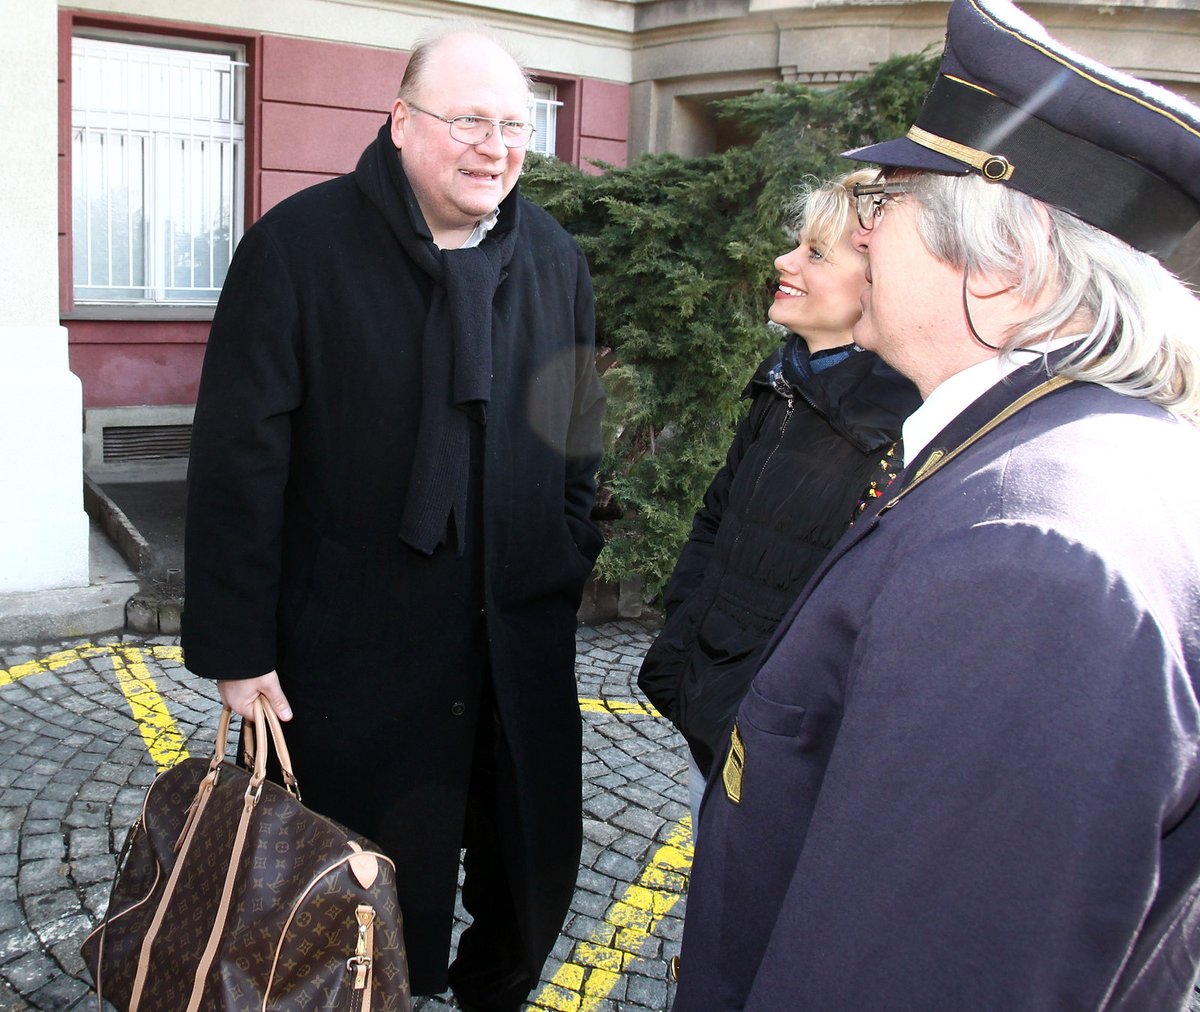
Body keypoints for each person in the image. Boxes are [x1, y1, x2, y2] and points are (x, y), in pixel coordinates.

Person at [671, 0, 1200, 1007]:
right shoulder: (1081, 453)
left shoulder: (1031, 561)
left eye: (883, 207)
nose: (860, 241)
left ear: (1004, 267)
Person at [181, 25, 606, 1011]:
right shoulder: (296, 247)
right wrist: (239, 652)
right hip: (351, 662)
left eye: (515, 125)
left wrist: (562, 557)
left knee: (527, 880)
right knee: (349, 909)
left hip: (516, 653)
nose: (495, 146)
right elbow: (238, 464)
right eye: (470, 121)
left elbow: (577, 436)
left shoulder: (552, 256)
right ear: (402, 121)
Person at [636, 170, 919, 827]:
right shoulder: (789, 380)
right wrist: (686, 632)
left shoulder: (899, 433)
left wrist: (757, 713)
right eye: (798, 244)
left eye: (817, 253)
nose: (784, 261)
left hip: (780, 755)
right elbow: (715, 523)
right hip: (717, 719)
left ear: (882, 283)